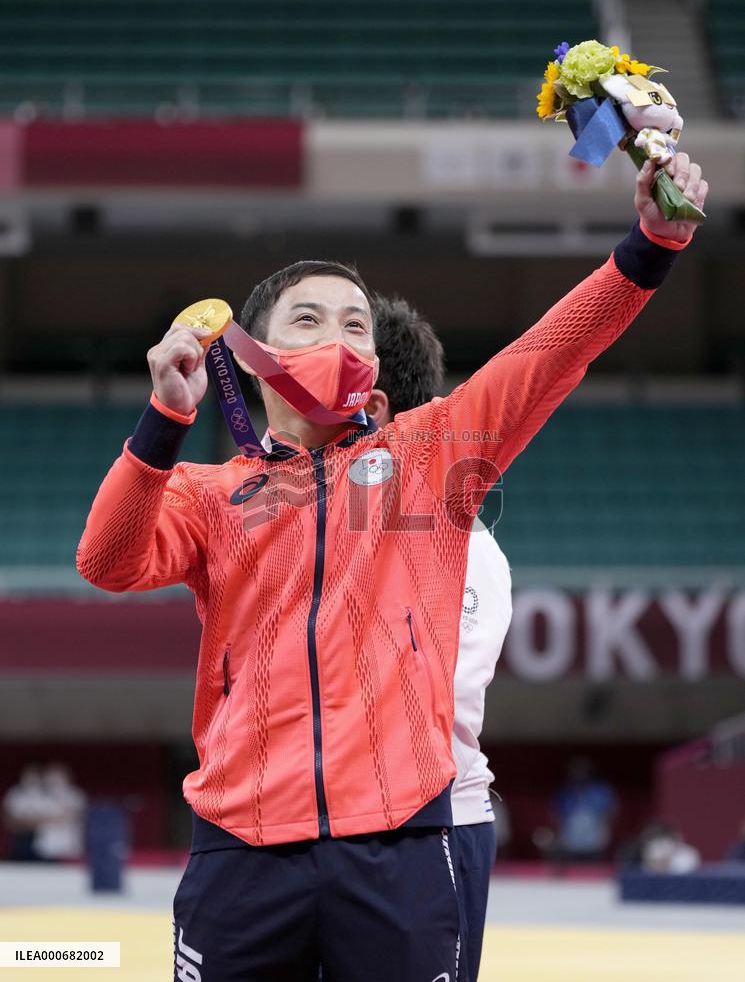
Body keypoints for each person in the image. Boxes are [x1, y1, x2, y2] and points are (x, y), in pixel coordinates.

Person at [77, 154, 708, 981]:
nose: (337, 339)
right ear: (253, 354)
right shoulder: (210, 496)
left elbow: (550, 353)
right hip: (240, 847)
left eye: (355, 326)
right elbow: (107, 561)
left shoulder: (429, 457)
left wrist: (649, 248)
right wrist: (163, 421)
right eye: (308, 320)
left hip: (402, 843)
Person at [364, 294, 512, 982]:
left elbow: (434, 691)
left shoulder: (459, 543)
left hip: (431, 825)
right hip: (341, 825)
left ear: (375, 405)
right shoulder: (349, 517)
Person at [553, 756, 617, 863]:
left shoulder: (601, 791)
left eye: (582, 770)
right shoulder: (565, 792)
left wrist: (604, 833)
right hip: (571, 843)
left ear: (590, 771)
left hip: (594, 842)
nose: (579, 774)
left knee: (594, 874)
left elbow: (611, 812)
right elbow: (556, 815)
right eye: (575, 770)